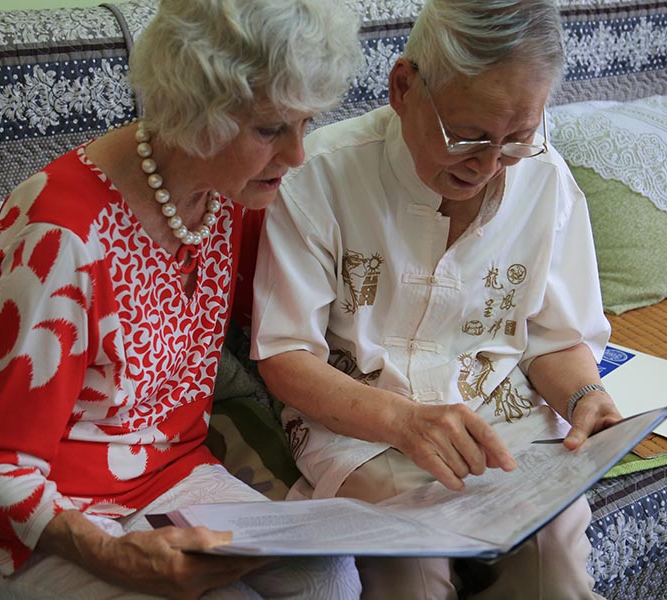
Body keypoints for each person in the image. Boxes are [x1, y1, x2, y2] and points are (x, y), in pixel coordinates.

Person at [0, 1, 362, 598]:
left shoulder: (228, 193)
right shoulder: (60, 238)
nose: (298, 154)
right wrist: (114, 555)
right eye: (272, 129)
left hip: (164, 473)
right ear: (198, 113)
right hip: (15, 509)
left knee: (329, 580)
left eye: (306, 124)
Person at [251, 0, 623, 598]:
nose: (487, 164)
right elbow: (284, 354)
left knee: (554, 567)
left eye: (516, 139)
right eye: (468, 135)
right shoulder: (319, 175)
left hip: (503, 421)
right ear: (403, 87)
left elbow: (554, 338)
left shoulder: (544, 178)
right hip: (364, 425)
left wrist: (587, 395)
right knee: (413, 575)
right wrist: (405, 423)